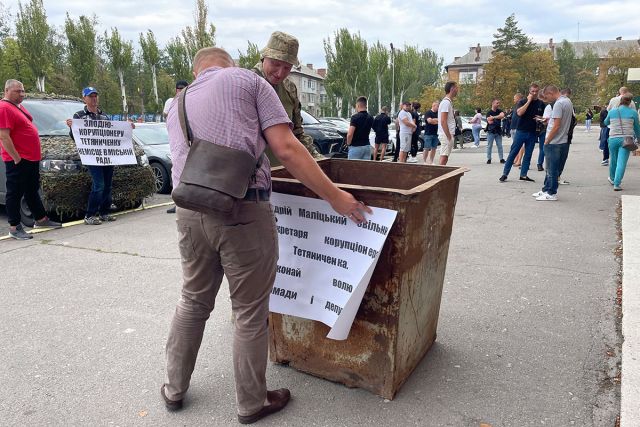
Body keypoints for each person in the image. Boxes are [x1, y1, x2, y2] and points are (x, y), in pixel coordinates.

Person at [162, 47, 370, 424]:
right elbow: (287, 148)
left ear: (197, 73)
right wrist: (336, 197)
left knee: (192, 301)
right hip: (242, 210)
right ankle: (251, 403)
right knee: (248, 311)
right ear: (227, 64)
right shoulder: (248, 80)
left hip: (190, 213)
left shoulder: (176, 103)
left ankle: (174, 389)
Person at [0, 79, 62, 239]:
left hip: (30, 158)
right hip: (19, 159)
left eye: (22, 91)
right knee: (14, 192)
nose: (21, 94)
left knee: (31, 190)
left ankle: (41, 219)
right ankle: (14, 227)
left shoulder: (18, 107)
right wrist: (16, 158)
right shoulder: (4, 108)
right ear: (6, 91)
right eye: (17, 91)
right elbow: (4, 136)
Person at [252, 31, 322, 164]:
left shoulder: (290, 88)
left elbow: (297, 133)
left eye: (287, 68)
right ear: (264, 57)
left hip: (284, 172)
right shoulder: (246, 84)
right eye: (275, 64)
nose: (280, 73)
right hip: (252, 176)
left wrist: (318, 160)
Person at [66, 87, 123, 225]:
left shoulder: (104, 116)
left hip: (107, 156)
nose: (94, 98)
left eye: (95, 96)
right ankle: (90, 214)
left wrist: (127, 128)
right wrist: (72, 128)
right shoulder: (79, 116)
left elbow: (113, 134)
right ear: (84, 98)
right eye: (90, 96)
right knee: (99, 185)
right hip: (92, 157)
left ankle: (104, 213)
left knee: (108, 185)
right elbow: (77, 137)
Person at [531, 85, 573, 201]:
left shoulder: (559, 104)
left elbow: (556, 125)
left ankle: (551, 192)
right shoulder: (567, 101)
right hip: (563, 139)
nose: (547, 100)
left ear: (550, 93)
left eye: (546, 97)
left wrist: (548, 139)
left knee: (551, 168)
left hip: (554, 141)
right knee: (552, 168)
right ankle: (546, 189)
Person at [499, 84, 545, 182]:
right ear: (529, 91)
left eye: (536, 91)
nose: (534, 93)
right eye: (532, 91)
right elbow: (519, 113)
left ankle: (523, 175)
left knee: (528, 154)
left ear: (539, 91)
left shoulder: (541, 104)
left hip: (532, 132)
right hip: (521, 131)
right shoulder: (522, 101)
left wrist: (541, 119)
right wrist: (528, 101)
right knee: (513, 152)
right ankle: (505, 174)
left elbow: (544, 118)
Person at [603, 93, 640, 191]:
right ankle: (617, 184)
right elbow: (637, 128)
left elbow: (606, 122)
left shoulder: (613, 111)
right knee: (621, 162)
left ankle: (611, 178)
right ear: (630, 102)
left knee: (613, 160)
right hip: (626, 140)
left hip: (613, 139)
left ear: (621, 101)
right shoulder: (633, 113)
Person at [164, 80, 189, 214]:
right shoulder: (170, 102)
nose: (180, 91)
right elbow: (167, 117)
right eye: (178, 89)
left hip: (187, 142)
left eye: (182, 88)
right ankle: (177, 202)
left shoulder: (190, 100)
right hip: (175, 142)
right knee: (176, 173)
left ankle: (188, 202)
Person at [438, 81, 458, 166]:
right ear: (452, 89)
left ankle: (440, 175)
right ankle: (439, 177)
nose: (457, 90)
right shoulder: (446, 102)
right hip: (446, 134)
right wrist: (449, 136)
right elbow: (443, 121)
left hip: (447, 134)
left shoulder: (448, 102)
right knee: (444, 157)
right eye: (456, 88)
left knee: (445, 157)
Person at [485, 99, 505, 164]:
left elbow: (502, 116)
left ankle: (501, 159)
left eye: (499, 103)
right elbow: (489, 121)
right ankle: (489, 159)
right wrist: (497, 118)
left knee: (500, 145)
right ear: (493, 103)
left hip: (498, 131)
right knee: (489, 145)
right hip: (491, 131)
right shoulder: (489, 112)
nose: (498, 104)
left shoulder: (500, 110)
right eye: (497, 103)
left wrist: (493, 117)